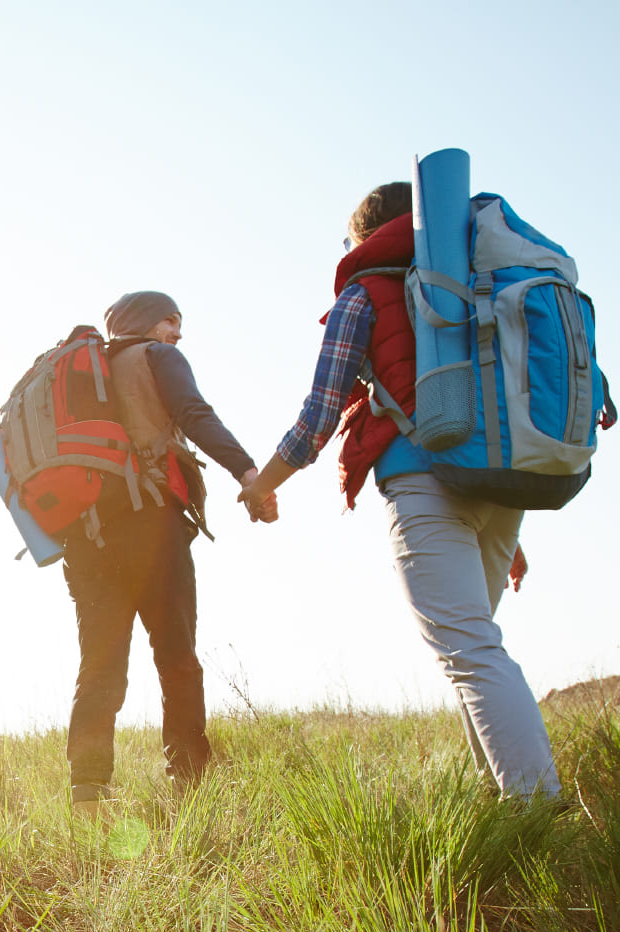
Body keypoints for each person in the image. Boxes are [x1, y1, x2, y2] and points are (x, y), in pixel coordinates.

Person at [239, 184, 561, 800]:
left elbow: (319, 414)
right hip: (501, 486)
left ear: (364, 238)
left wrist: (263, 484)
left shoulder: (365, 292)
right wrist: (505, 526)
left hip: (425, 484)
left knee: (470, 651)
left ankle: (538, 811)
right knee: (473, 652)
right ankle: (500, 802)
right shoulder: (476, 286)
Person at [64, 290, 276, 812]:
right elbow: (195, 414)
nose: (177, 334)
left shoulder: (80, 376)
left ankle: (88, 793)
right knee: (177, 657)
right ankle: (189, 784)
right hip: (150, 526)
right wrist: (250, 473)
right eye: (170, 321)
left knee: (100, 666)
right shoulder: (156, 357)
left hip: (85, 537)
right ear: (143, 324)